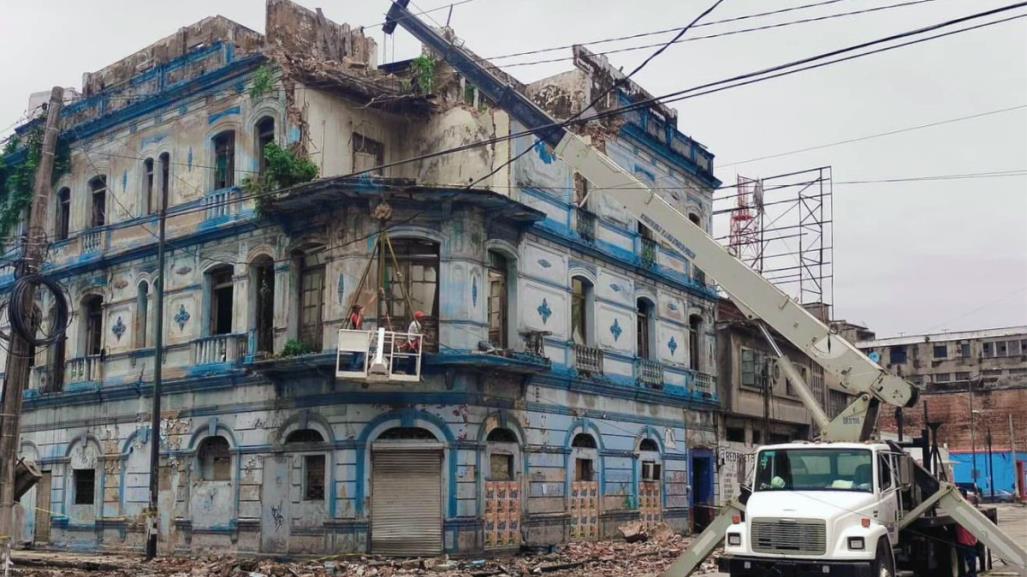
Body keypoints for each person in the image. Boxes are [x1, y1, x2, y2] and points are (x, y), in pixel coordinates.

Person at [955, 489, 979, 577]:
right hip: (964, 537)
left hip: (968, 538)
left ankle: (972, 574)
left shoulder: (965, 505)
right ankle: (971, 573)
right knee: (968, 557)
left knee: (970, 557)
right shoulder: (963, 505)